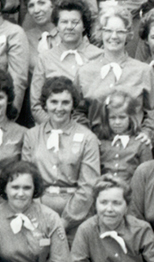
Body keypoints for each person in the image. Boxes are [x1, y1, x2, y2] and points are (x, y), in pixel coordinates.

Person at [23, 77, 99, 233]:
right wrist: (39, 216)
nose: (59, 108)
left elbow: (89, 185)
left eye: (65, 102)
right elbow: (26, 178)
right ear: (45, 104)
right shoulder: (32, 135)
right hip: (39, 211)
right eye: (54, 102)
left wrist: (66, 221)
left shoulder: (87, 137)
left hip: (76, 213)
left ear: (73, 105)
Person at [77, 7, 154, 141]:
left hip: (133, 148)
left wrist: (147, 132)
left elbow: (153, 111)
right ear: (100, 32)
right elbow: (78, 113)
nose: (114, 36)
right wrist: (87, 137)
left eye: (120, 31)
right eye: (108, 31)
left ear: (128, 34)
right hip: (96, 147)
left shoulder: (143, 71)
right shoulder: (85, 71)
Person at [30, 0, 101, 127]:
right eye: (64, 22)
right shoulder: (45, 59)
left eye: (75, 22)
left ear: (84, 25)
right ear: (56, 26)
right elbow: (36, 105)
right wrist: (57, 128)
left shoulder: (99, 56)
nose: (69, 27)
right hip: (53, 130)